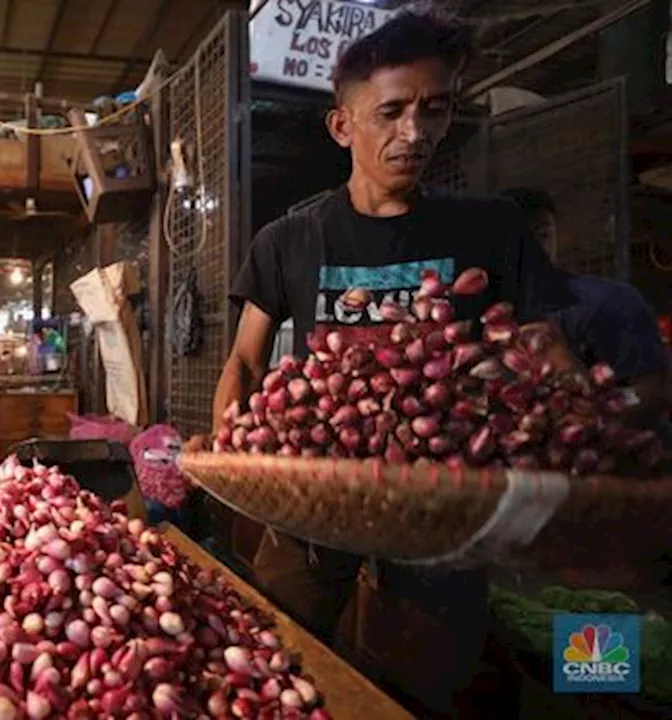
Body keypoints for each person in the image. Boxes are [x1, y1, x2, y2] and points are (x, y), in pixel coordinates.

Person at [212, 11, 574, 717]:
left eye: (434, 110)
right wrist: (237, 455)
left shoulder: (491, 228)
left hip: (436, 507)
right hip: (316, 501)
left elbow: (541, 349)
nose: (415, 132)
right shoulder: (290, 239)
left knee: (434, 684)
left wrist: (572, 425)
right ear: (342, 126)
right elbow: (247, 364)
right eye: (392, 111)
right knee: (267, 652)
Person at [500, 187, 672, 427]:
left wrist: (596, 413)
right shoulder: (490, 316)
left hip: (619, 456)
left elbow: (652, 390)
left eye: (543, 235)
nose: (534, 251)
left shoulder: (608, 302)